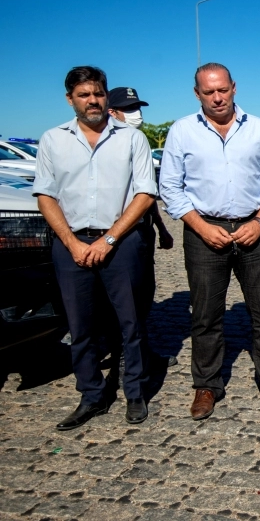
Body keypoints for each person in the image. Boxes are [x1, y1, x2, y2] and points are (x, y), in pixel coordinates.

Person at [159, 63, 260, 420]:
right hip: (204, 233)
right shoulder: (182, 131)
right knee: (205, 317)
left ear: (234, 88)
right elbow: (169, 187)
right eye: (208, 92)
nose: (217, 98)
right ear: (197, 93)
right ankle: (207, 385)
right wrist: (200, 227)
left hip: (254, 231)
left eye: (222, 90)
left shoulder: (259, 128)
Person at [34, 66, 156, 429]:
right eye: (84, 95)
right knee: (81, 326)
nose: (93, 101)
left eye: (99, 94)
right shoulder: (53, 140)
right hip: (70, 244)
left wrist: (109, 239)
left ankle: (135, 393)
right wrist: (71, 243)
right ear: (70, 98)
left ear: (106, 96)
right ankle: (92, 395)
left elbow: (145, 194)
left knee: (130, 323)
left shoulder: (131, 139)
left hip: (121, 242)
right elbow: (45, 195)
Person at [107, 87, 176, 370]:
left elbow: (146, 194)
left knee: (143, 295)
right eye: (130, 109)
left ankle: (141, 352)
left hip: (142, 231)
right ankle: (124, 355)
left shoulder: (139, 141)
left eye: (138, 108)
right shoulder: (106, 145)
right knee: (122, 301)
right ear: (112, 112)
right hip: (116, 234)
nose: (137, 115)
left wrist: (160, 227)